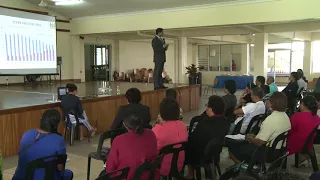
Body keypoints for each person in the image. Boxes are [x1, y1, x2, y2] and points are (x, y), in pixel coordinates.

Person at [228, 92, 291, 163]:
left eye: (268, 101)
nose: (266, 103)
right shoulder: (285, 116)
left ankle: (244, 168)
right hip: (279, 151)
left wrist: (250, 138)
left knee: (233, 147)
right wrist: (254, 136)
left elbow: (260, 142)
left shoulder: (271, 119)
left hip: (266, 152)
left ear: (271, 104)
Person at [13, 109, 73, 180]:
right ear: (56, 124)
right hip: (43, 177)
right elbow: (60, 168)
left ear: (41, 120)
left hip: (19, 177)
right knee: (68, 173)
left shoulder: (27, 134)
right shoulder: (58, 140)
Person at [185, 95, 230, 179]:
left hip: (202, 154)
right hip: (215, 152)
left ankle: (190, 174)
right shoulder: (225, 122)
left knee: (186, 146)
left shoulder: (204, 123)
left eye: (207, 105)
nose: (206, 108)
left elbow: (193, 139)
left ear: (211, 109)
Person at [105, 113, 158, 180]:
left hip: (128, 177)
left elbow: (110, 168)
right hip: (150, 175)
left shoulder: (119, 140)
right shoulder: (151, 133)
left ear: (124, 125)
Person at [152, 97, 188, 176]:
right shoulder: (182, 125)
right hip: (179, 165)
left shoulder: (157, 130)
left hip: (162, 167)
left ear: (161, 113)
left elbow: (152, 152)